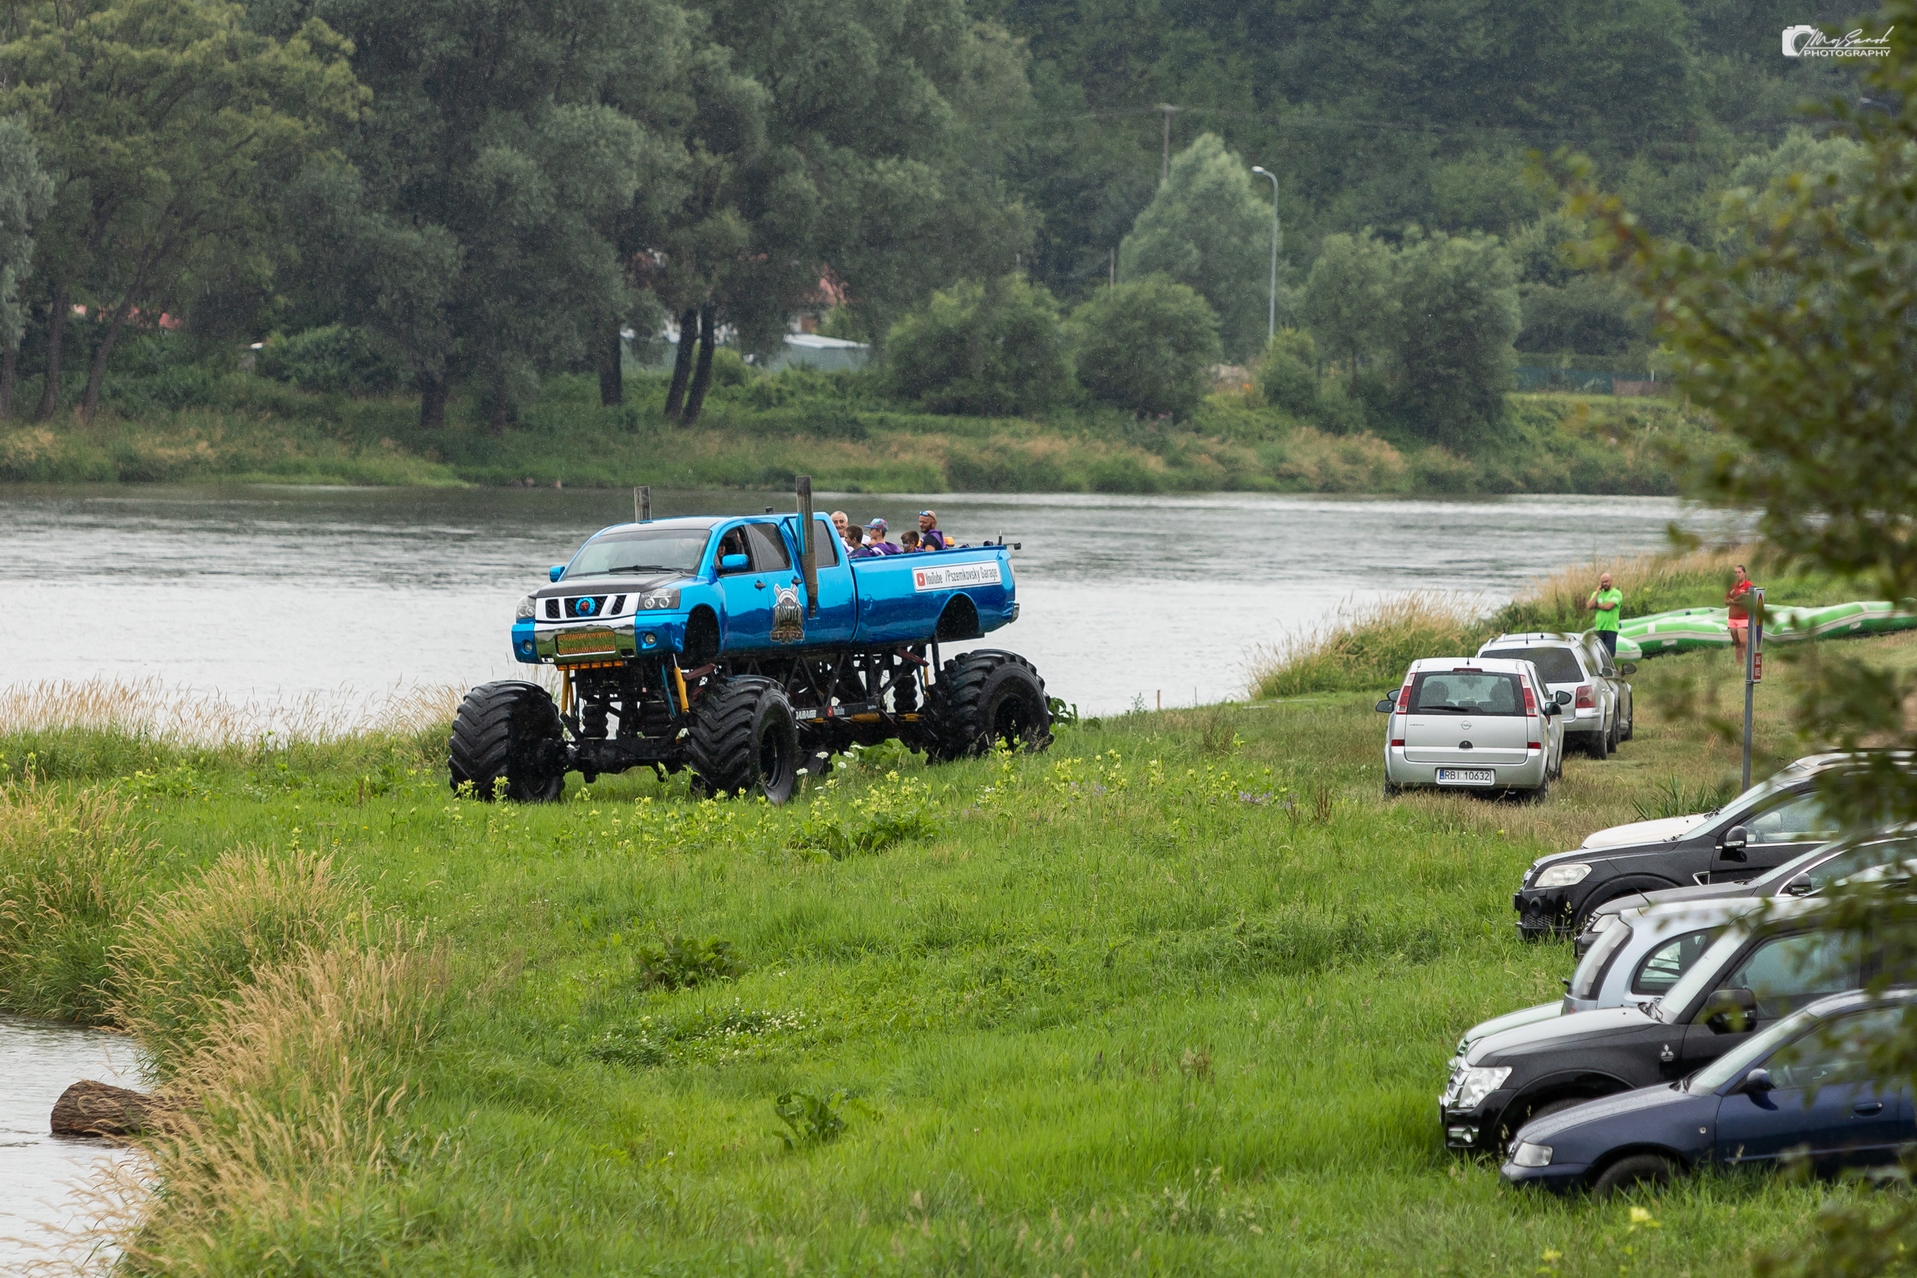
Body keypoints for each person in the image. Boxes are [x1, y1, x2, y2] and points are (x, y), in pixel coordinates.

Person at [1586, 572, 1623, 658]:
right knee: (1598, 654)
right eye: (1602, 582)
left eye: (1606, 581)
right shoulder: (1597, 594)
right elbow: (1589, 606)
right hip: (1599, 628)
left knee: (1609, 654)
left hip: (1611, 629)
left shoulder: (1616, 593)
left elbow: (1608, 607)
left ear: (1611, 581)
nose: (1604, 584)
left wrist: (1597, 606)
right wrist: (1597, 593)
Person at [1727, 562, 1756, 669]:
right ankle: (1739, 664)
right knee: (1736, 642)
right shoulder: (1733, 586)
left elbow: (1749, 600)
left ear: (1744, 573)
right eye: (1735, 572)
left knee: (1744, 641)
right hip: (1732, 617)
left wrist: (1735, 601)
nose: (1737, 574)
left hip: (1743, 617)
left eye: (1739, 572)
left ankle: (1750, 663)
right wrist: (1733, 601)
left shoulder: (1749, 586)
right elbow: (1727, 599)